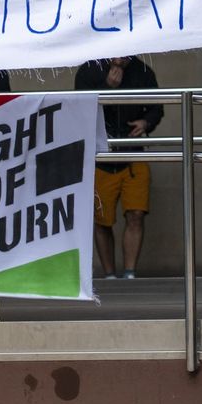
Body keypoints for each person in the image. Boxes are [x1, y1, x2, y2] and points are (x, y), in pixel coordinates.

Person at [75, 57, 163, 279]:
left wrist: (146, 122)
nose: (121, 58)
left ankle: (130, 274)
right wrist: (108, 87)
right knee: (101, 220)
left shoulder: (143, 71)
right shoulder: (89, 69)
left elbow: (157, 107)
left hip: (133, 153)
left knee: (136, 214)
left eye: (126, 55)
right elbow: (79, 107)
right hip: (100, 157)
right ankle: (110, 276)